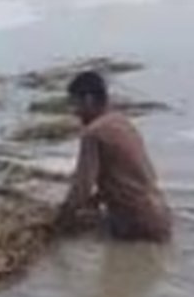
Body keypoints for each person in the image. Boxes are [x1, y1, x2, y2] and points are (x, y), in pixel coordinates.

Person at [57, 71, 173, 243]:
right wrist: (96, 200)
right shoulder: (121, 122)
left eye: (76, 104)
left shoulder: (93, 133)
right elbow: (130, 176)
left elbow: (82, 187)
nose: (75, 112)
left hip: (135, 223)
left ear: (88, 100)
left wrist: (60, 221)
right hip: (161, 216)